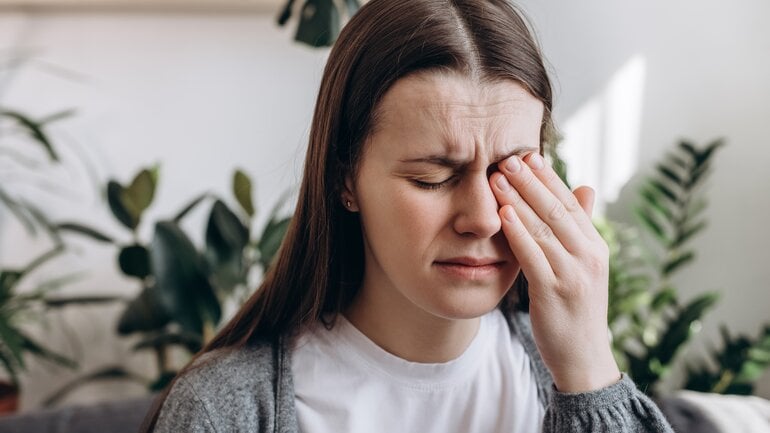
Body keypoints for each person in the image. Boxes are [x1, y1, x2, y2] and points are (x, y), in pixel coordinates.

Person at [143, 0, 675, 431]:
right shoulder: (226, 409)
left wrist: (589, 370)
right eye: (432, 179)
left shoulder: (567, 377)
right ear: (344, 177)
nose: (483, 219)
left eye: (508, 172)